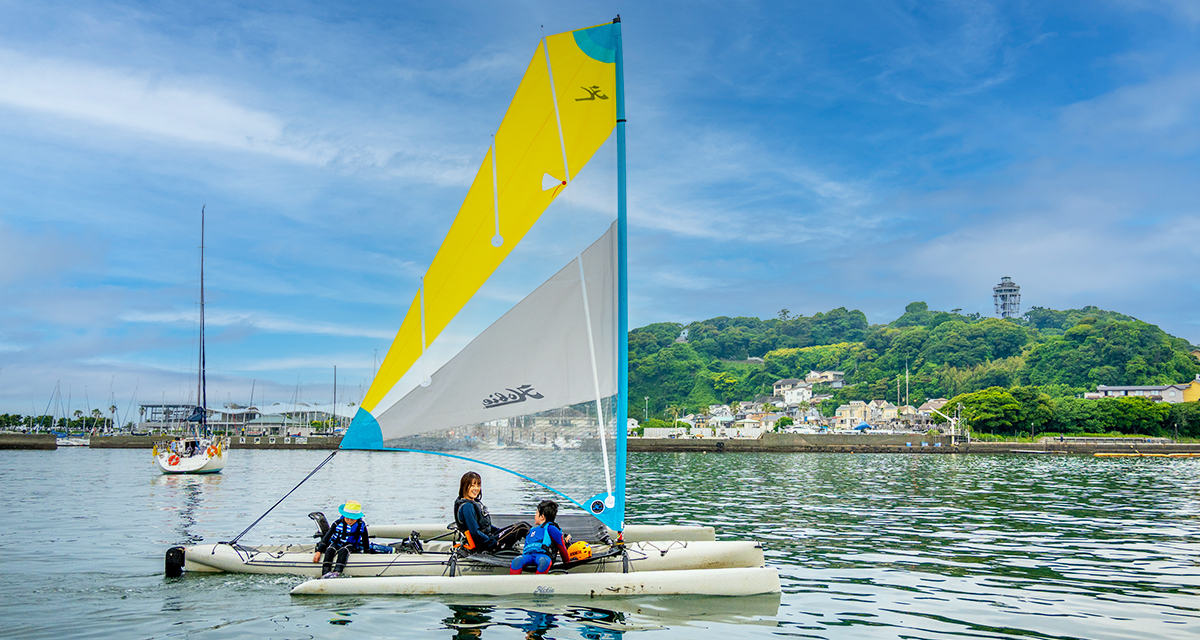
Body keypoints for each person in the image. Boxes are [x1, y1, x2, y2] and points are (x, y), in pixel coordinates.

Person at [454, 471, 526, 552]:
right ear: (464, 486)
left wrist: (500, 531)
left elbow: (485, 526)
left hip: (489, 537)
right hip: (485, 544)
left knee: (518, 527)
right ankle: (539, 550)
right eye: (472, 485)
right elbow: (475, 533)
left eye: (478, 485)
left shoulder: (473, 503)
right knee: (522, 527)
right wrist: (495, 544)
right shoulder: (467, 507)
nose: (476, 489)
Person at [509, 500, 572, 575]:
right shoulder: (531, 531)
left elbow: (562, 547)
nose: (534, 516)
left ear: (542, 517)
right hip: (529, 556)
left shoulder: (551, 528)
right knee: (517, 560)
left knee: (544, 561)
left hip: (543, 556)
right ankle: (514, 584)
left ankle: (537, 583)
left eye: (536, 513)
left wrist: (567, 564)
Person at [311, 499, 370, 578]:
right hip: (337, 542)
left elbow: (365, 540)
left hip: (351, 544)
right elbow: (327, 537)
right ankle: (325, 572)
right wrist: (319, 551)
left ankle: (337, 572)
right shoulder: (337, 523)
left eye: (352, 519)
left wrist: (367, 554)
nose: (349, 521)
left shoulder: (361, 525)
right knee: (330, 550)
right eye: (347, 518)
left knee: (344, 550)